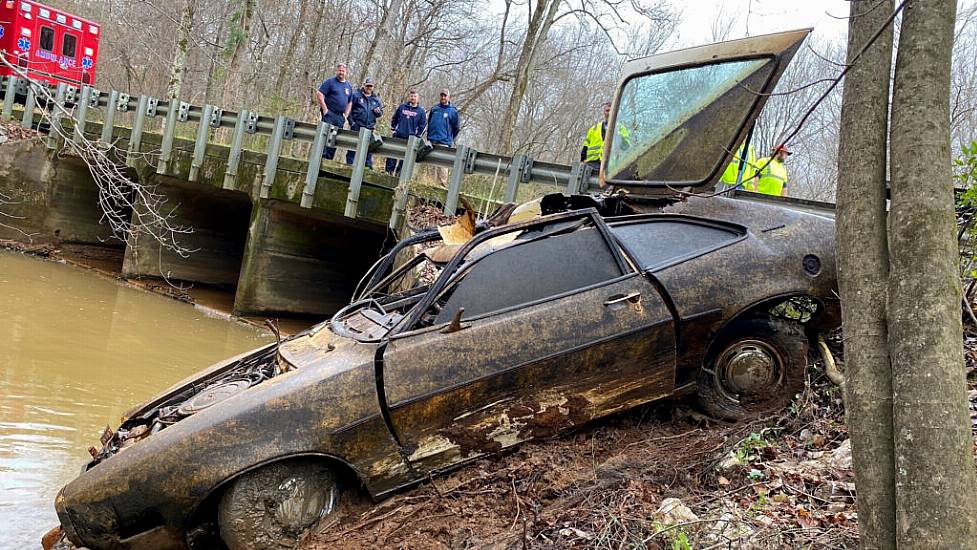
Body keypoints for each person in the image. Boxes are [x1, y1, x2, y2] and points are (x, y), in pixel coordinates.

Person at [316, 63, 353, 161]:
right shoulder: (330, 82)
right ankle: (320, 158)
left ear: (346, 72)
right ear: (337, 71)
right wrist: (325, 109)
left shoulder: (348, 86)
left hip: (340, 117)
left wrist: (346, 115)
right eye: (339, 70)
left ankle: (329, 159)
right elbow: (320, 94)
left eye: (343, 71)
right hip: (329, 114)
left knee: (334, 138)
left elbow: (350, 102)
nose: (341, 72)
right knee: (325, 136)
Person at [385, 90, 426, 175]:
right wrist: (394, 129)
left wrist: (417, 136)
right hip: (398, 135)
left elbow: (422, 126)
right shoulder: (402, 107)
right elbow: (394, 118)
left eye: (415, 96)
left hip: (410, 138)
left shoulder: (421, 111)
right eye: (411, 96)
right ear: (409, 97)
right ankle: (389, 171)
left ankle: (399, 174)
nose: (413, 98)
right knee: (392, 153)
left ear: (418, 99)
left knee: (405, 158)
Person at [345, 78, 384, 168]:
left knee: (368, 150)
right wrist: (352, 122)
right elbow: (349, 109)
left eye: (371, 86)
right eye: (367, 86)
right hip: (357, 126)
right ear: (364, 86)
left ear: (373, 87)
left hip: (369, 128)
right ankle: (349, 166)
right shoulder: (356, 96)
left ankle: (367, 168)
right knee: (353, 147)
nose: (369, 88)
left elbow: (380, 113)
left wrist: (378, 112)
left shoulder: (376, 100)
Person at [580, 101, 630, 170]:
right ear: (604, 112)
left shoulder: (620, 128)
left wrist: (617, 135)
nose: (609, 113)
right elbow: (585, 146)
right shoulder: (594, 129)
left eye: (611, 110)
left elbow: (627, 147)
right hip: (592, 164)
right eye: (607, 110)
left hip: (610, 166)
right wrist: (582, 161)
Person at [426, 88, 460, 184]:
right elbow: (429, 123)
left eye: (445, 96)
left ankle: (442, 185)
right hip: (432, 140)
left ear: (449, 97)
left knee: (442, 166)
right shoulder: (434, 109)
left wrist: (449, 138)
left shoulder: (453, 111)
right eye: (442, 95)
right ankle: (429, 184)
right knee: (431, 164)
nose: (443, 97)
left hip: (444, 142)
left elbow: (456, 128)